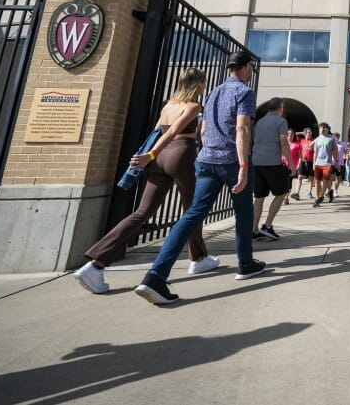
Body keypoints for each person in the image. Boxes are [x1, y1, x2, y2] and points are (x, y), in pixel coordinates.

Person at [134, 50, 266, 305]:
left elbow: (204, 130)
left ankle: (155, 275)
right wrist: (243, 165)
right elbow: (242, 129)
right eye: (251, 68)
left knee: (192, 214)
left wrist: (210, 150)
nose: (251, 72)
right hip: (229, 161)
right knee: (243, 212)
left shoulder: (213, 92)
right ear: (247, 67)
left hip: (206, 160)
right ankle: (245, 264)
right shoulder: (245, 93)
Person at [75, 68, 217, 294]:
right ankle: (198, 259)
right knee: (193, 209)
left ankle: (95, 263)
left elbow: (157, 132)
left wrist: (152, 155)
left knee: (142, 213)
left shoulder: (168, 105)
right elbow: (172, 133)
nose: (204, 86)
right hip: (180, 155)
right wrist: (150, 155)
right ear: (198, 83)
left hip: (159, 159)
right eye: (203, 83)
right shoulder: (193, 106)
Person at [251, 97, 295, 242]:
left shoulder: (259, 122)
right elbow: (283, 142)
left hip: (257, 162)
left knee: (259, 197)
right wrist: (292, 164)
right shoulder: (281, 121)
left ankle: (254, 230)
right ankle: (268, 226)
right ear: (280, 108)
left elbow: (255, 139)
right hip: (272, 162)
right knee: (282, 192)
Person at [311, 122, 338, 207]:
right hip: (318, 163)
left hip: (327, 163)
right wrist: (313, 163)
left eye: (324, 128)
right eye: (321, 128)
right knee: (317, 181)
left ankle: (321, 196)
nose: (322, 129)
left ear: (328, 129)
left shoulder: (331, 138)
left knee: (326, 180)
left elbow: (334, 151)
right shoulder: (317, 139)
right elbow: (315, 152)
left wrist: (337, 162)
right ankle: (317, 198)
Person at [291, 127, 314, 200]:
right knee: (300, 177)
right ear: (304, 134)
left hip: (311, 161)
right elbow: (294, 134)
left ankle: (310, 192)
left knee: (311, 178)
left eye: (310, 132)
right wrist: (302, 132)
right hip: (302, 161)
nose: (309, 134)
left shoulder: (313, 140)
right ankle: (297, 193)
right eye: (307, 132)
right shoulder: (301, 140)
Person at [331, 131, 347, 198]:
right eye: (335, 137)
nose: (337, 138)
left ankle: (335, 191)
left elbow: (345, 151)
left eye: (338, 137)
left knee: (339, 178)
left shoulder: (343, 144)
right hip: (331, 163)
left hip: (340, 163)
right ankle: (329, 190)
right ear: (333, 137)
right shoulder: (331, 144)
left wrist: (346, 153)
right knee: (330, 178)